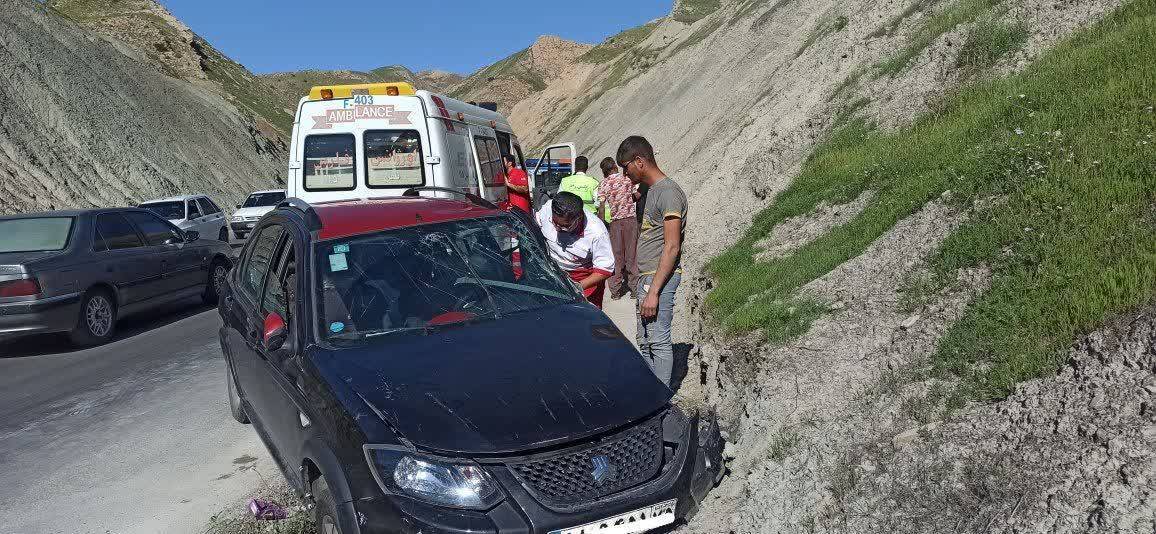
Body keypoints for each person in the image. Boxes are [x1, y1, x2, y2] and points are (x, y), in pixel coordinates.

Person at [617, 135, 687, 387]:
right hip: (647, 277)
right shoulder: (652, 191)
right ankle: (651, 390)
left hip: (660, 277)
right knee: (644, 340)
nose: (625, 175)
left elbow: (671, 246)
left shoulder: (668, 193)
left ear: (639, 161)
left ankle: (662, 398)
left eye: (626, 168)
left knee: (657, 339)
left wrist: (654, 291)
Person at [535, 191, 615, 308]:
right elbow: (535, 225)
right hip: (554, 275)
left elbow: (604, 269)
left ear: (579, 217)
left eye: (565, 226)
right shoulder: (548, 208)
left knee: (586, 320)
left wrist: (577, 287)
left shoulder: (597, 232)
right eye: (555, 223)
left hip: (584, 281)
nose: (558, 228)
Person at [595, 157, 639, 300]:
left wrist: (601, 225)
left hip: (615, 223)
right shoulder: (626, 179)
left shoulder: (603, 184)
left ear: (604, 171)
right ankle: (634, 289)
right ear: (615, 167)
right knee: (631, 254)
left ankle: (615, 291)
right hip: (630, 220)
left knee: (616, 256)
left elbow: (601, 208)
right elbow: (635, 196)